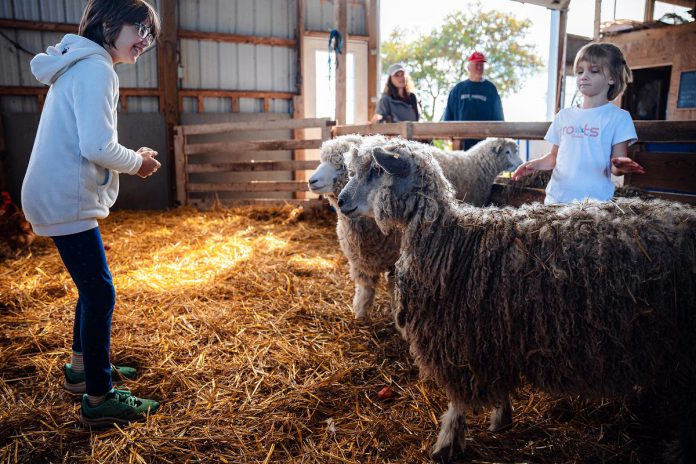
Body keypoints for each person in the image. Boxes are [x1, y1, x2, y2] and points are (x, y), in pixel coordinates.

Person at [21, 0, 162, 427]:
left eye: (152, 35)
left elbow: (92, 141)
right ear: (109, 23)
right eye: (140, 27)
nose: (146, 40)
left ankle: (83, 371)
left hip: (58, 190)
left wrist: (131, 156)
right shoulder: (97, 68)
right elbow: (96, 147)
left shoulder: (83, 66)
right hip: (66, 194)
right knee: (101, 292)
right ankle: (99, 397)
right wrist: (138, 163)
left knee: (91, 288)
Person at [512, 42, 645, 204]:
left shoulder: (619, 118)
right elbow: (554, 157)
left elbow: (616, 167)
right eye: (580, 71)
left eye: (594, 71)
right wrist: (534, 164)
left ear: (611, 78)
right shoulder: (564, 115)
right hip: (556, 201)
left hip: (594, 205)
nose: (584, 76)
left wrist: (621, 166)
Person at [442, 51, 504, 150]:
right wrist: (446, 133)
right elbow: (449, 114)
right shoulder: (458, 89)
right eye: (477, 64)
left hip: (485, 143)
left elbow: (499, 117)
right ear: (469, 67)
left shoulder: (490, 89)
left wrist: (499, 136)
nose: (479, 67)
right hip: (461, 142)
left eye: (482, 65)